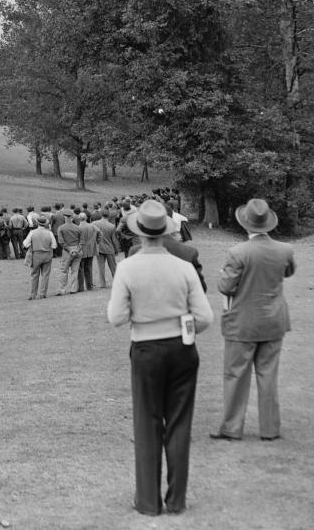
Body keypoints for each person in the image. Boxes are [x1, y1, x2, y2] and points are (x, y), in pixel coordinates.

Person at [107, 199, 213, 516]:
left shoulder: (127, 267)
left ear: (139, 234)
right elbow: (205, 316)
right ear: (167, 231)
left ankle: (149, 502)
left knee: (147, 423)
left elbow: (116, 317)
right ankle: (177, 500)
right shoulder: (183, 267)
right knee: (179, 423)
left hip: (146, 349)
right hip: (182, 349)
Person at [210, 198, 296, 442]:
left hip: (243, 322)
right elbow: (288, 272)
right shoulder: (285, 250)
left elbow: (226, 287)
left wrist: (223, 276)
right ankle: (270, 429)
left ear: (245, 224)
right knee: (268, 375)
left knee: (235, 375)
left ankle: (231, 427)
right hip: (273, 320)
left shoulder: (238, 252)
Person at [23, 216, 57, 300]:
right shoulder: (49, 233)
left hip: (36, 255)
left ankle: (33, 294)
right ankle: (42, 294)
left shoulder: (32, 232)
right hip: (47, 255)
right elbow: (54, 245)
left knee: (34, 275)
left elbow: (25, 244)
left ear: (37, 223)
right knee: (45, 275)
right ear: (45, 223)